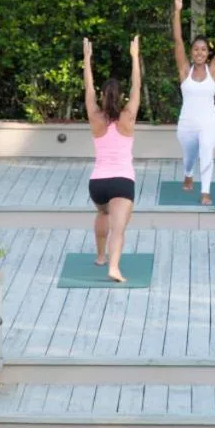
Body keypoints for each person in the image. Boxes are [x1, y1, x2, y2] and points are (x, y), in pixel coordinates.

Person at [83, 34, 141, 283]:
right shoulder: (128, 117)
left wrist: (87, 59)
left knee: (103, 214)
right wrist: (135, 58)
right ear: (121, 96)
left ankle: (100, 257)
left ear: (103, 95)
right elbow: (137, 87)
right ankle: (114, 267)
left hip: (97, 184)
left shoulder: (95, 117)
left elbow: (88, 89)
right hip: (122, 182)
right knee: (118, 228)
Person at [172, 0, 215, 205]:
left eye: (203, 50)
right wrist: (177, 11)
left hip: (210, 122)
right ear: (192, 53)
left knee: (206, 148)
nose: (199, 53)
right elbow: (178, 41)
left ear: (208, 53)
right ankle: (188, 173)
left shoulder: (213, 71)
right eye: (196, 49)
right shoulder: (184, 71)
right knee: (189, 157)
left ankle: (205, 191)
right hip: (187, 123)